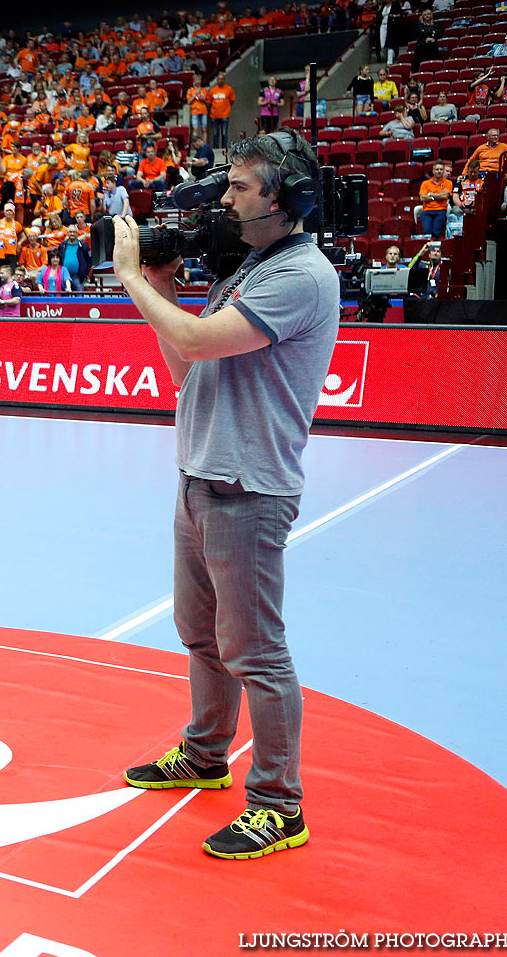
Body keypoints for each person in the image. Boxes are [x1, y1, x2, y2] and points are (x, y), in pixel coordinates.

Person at [110, 132, 339, 860]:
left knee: (257, 652)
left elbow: (202, 343)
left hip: (249, 487)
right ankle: (207, 755)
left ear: (286, 201)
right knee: (202, 637)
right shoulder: (249, 268)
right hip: (200, 473)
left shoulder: (300, 275)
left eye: (240, 188)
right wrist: (167, 292)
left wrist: (132, 281)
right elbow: (188, 359)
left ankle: (278, 804)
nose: (225, 200)